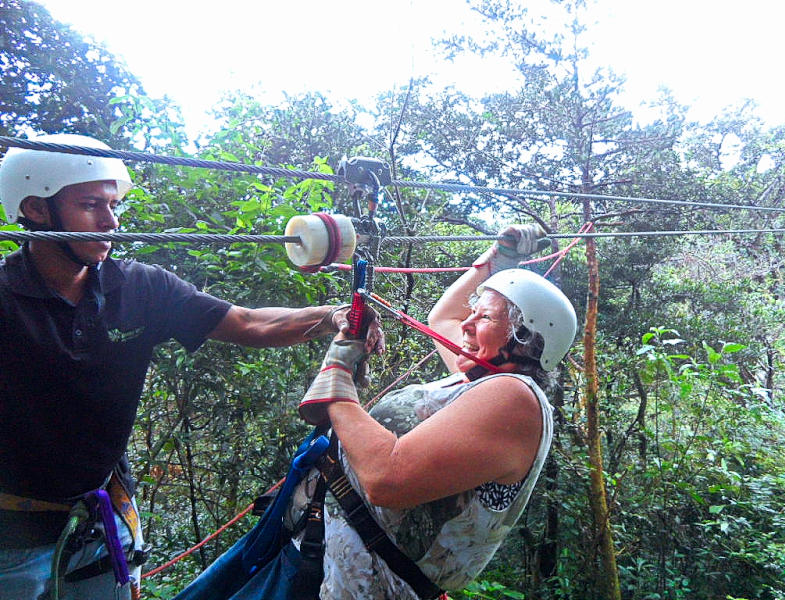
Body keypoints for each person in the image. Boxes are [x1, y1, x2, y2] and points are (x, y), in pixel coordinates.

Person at [0, 133, 382, 600]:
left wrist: (332, 316)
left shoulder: (139, 288)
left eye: (113, 204)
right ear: (36, 210)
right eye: (90, 205)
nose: (111, 221)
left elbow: (247, 323)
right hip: (9, 539)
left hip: (98, 523)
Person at [291, 224, 578, 599]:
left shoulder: (514, 397)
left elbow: (385, 477)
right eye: (472, 314)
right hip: (328, 564)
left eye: (486, 319)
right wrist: (496, 262)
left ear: (526, 341)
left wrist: (337, 374)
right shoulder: (477, 379)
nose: (467, 325)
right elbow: (443, 318)